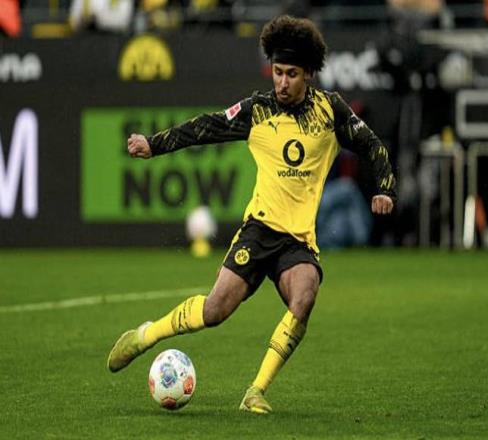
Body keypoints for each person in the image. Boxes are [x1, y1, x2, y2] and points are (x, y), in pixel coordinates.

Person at [107, 14, 396, 414]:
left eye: (291, 74)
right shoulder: (258, 110)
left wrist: (384, 188)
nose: (282, 82)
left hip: (298, 241)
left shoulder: (330, 110)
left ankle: (255, 392)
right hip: (258, 231)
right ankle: (146, 335)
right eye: (277, 72)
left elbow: (372, 145)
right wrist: (153, 145)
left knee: (305, 296)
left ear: (308, 74)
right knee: (214, 311)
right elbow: (206, 127)